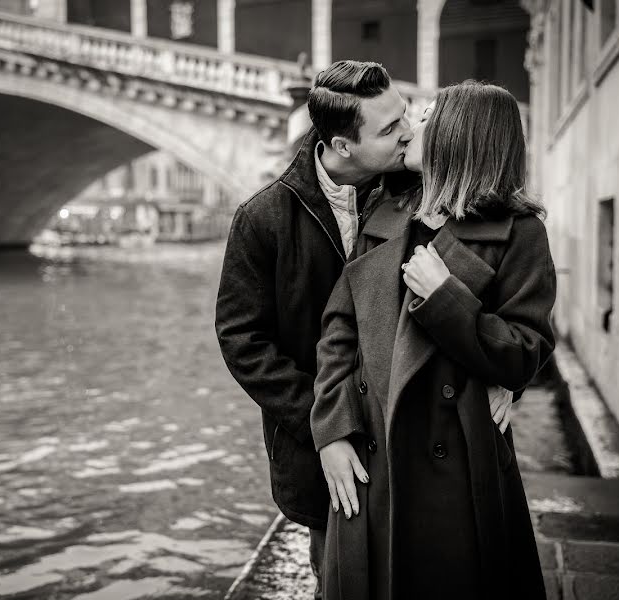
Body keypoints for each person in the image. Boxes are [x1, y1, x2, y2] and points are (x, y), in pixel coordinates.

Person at [311, 80, 556, 600]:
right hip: (371, 456)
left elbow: (527, 350)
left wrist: (445, 298)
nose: (409, 131)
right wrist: (332, 430)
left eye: (424, 119)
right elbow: (339, 332)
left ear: (457, 137)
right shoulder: (385, 211)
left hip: (459, 468)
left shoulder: (520, 233)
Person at [215, 60, 420, 597]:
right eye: (389, 128)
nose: (409, 131)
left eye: (404, 114)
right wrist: (324, 423)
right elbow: (242, 342)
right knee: (339, 577)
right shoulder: (262, 219)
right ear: (342, 145)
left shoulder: (418, 189)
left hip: (412, 431)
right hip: (317, 447)